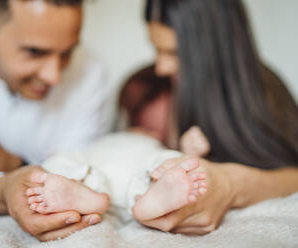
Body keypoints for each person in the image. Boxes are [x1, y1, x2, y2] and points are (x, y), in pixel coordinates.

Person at [0, 0, 115, 241]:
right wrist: (3, 189)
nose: (54, 75)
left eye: (68, 52)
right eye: (34, 52)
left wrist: (12, 164)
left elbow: (81, 178)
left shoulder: (91, 71)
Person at [119, 0, 298, 234]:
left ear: (216, 50)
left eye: (175, 53)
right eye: (156, 49)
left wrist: (229, 184)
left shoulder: (264, 91)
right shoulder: (147, 87)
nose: (161, 67)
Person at [24, 132, 207, 222]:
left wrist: (189, 150)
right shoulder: (103, 138)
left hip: (136, 169)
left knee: (166, 160)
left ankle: (153, 196)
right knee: (63, 158)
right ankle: (76, 189)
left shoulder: (154, 144)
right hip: (91, 165)